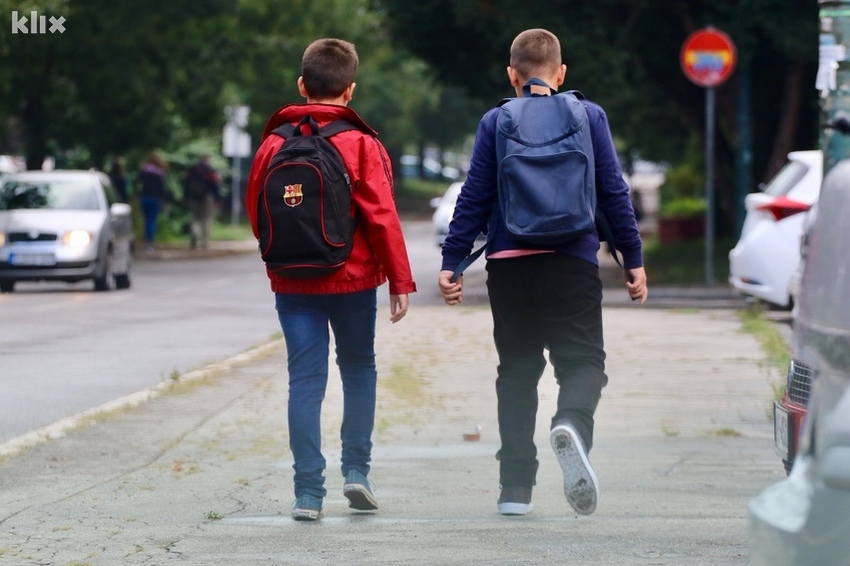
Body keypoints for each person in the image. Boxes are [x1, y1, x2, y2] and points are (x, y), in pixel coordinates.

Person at [438, 28, 648, 517]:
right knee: (583, 364)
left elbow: (474, 197)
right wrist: (632, 259)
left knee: (516, 371)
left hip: (510, 267)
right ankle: (571, 423)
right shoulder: (588, 115)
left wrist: (453, 262)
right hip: (573, 261)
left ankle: (515, 488)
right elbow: (613, 191)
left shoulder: (496, 120)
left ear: (512, 75)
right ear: (562, 73)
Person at [245, 38, 417, 521]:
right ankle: (356, 473)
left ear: (302, 86)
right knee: (359, 368)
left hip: (292, 282)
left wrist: (280, 259)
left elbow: (257, 212)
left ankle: (307, 494)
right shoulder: (361, 143)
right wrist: (399, 281)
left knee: (304, 382)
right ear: (351, 90)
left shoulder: (273, 143)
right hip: (353, 279)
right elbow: (382, 215)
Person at [183, 155, 221, 250]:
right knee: (206, 219)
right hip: (208, 198)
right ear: (207, 160)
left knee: (195, 218)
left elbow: (186, 185)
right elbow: (215, 186)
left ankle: (194, 234)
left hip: (194, 198)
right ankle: (204, 243)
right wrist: (218, 199)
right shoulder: (210, 170)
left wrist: (186, 197)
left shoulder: (192, 170)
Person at [134, 153, 170, 252]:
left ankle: (145, 239)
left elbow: (136, 183)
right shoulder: (159, 173)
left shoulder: (144, 171)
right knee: (151, 220)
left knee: (146, 219)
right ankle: (149, 242)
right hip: (155, 199)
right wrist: (164, 201)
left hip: (144, 198)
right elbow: (163, 189)